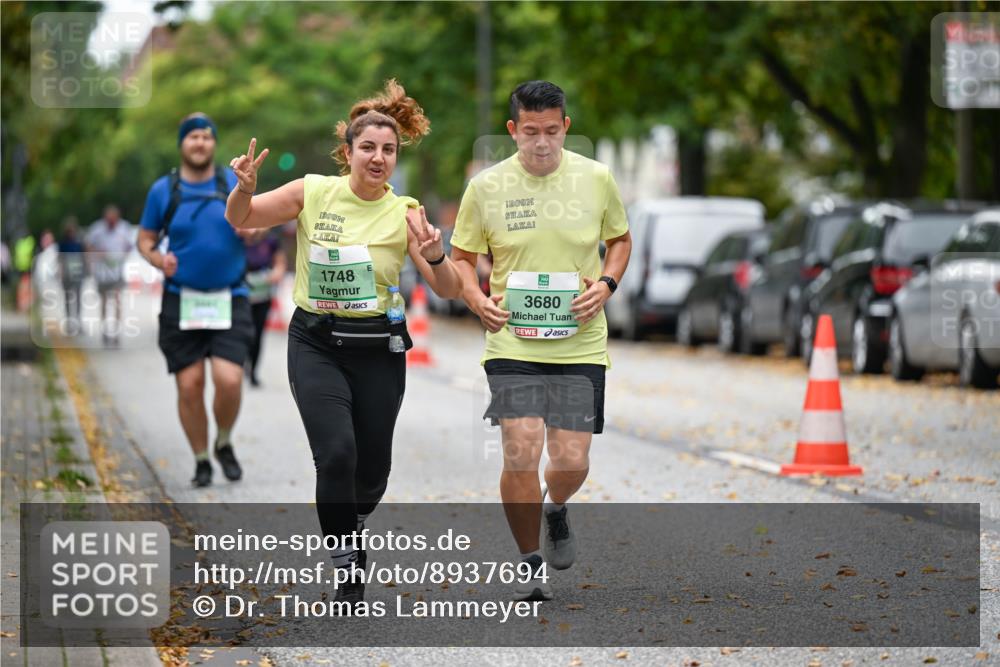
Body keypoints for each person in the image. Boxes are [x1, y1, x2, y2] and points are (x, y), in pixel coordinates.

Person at [225, 80, 462, 609]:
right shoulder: (312, 192)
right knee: (336, 455)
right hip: (317, 343)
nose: (378, 158)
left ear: (397, 157)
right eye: (368, 148)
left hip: (379, 349)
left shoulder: (406, 211)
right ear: (348, 152)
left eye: (389, 150)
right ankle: (345, 559)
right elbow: (240, 218)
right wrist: (243, 187)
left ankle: (353, 517)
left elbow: (448, 290)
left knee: (372, 474)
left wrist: (436, 254)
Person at [451, 81, 632, 602]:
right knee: (521, 450)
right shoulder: (485, 188)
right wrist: (474, 296)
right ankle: (530, 562)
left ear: (566, 127)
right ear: (513, 131)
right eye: (530, 132)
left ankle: (555, 507)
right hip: (514, 344)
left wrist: (606, 284)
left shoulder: (596, 179)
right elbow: (461, 257)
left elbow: (620, 240)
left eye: (552, 131)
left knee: (572, 462)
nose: (542, 142)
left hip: (578, 342)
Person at [136, 113, 252, 488]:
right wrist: (157, 259)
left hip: (230, 296)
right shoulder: (163, 191)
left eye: (206, 136)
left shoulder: (231, 181)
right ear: (182, 144)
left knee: (229, 380)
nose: (200, 143)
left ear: (214, 144)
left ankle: (223, 440)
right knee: (189, 385)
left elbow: (259, 222)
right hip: (180, 299)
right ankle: (202, 458)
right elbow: (145, 239)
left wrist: (252, 230)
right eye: (193, 137)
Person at [242, 229, 287, 386]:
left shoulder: (271, 240)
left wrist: (276, 274)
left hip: (263, 295)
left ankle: (253, 371)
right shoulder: (239, 237)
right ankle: (242, 364)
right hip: (241, 295)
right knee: (243, 332)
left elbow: (280, 264)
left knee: (258, 334)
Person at [85, 204, 134, 345]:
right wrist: (95, 255)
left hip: (117, 272)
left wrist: (123, 256)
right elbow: (88, 246)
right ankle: (105, 331)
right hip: (102, 273)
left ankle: (116, 332)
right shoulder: (97, 229)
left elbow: (130, 246)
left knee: (117, 301)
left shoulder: (124, 228)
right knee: (104, 302)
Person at [57, 217, 87, 331]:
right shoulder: (63, 243)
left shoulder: (79, 242)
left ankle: (78, 321)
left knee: (78, 298)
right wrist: (60, 272)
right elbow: (59, 258)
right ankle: (69, 321)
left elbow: (84, 257)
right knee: (68, 298)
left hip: (77, 272)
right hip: (67, 273)